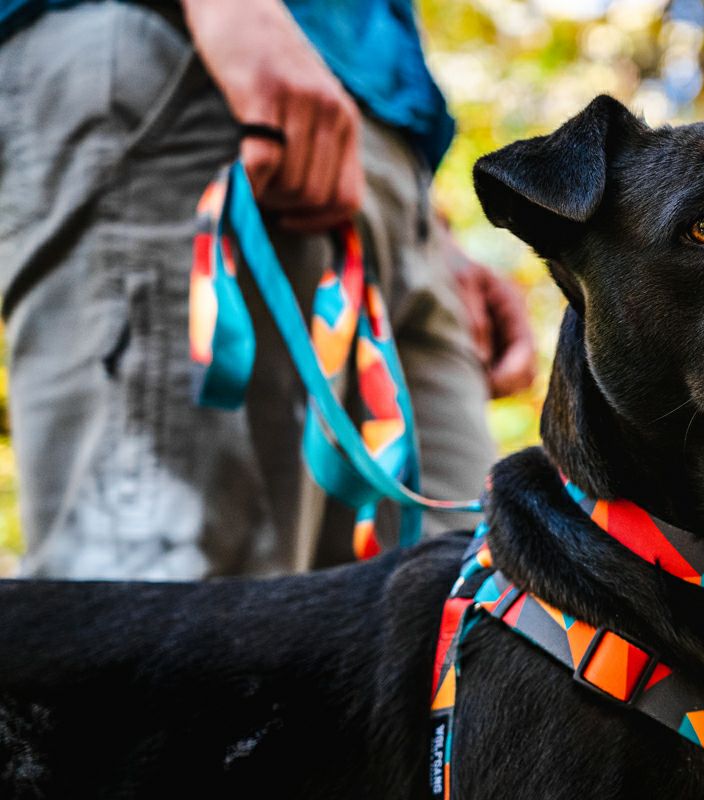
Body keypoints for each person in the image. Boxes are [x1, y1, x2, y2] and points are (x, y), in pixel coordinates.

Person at [0, 0, 535, 579]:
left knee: (458, 597)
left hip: (383, 153)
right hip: (191, 70)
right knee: (167, 599)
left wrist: (432, 231)